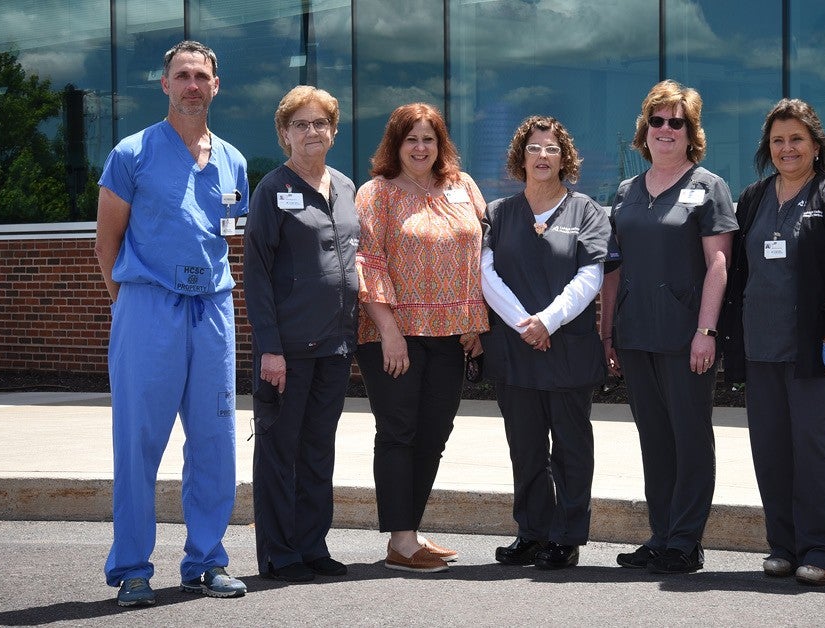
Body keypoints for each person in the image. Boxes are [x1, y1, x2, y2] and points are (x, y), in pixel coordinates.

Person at [93, 40, 249, 607]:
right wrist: (132, 305)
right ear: (165, 85)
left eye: (201, 76)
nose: (191, 85)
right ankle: (132, 568)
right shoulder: (131, 154)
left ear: (215, 85)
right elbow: (106, 244)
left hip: (212, 311)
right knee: (138, 441)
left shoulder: (233, 161)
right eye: (182, 75)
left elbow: (226, 238)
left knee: (215, 440)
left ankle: (206, 562)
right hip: (148, 308)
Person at [719, 99, 825, 586]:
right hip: (760, 348)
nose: (787, 148)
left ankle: (822, 549)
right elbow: (740, 271)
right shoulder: (753, 198)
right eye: (778, 140)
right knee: (771, 451)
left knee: (814, 449)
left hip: (812, 351)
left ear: (816, 145)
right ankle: (782, 545)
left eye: (797, 139)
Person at [600, 80, 738, 574]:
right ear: (645, 130)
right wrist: (607, 333)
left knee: (690, 438)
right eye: (656, 121)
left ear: (690, 131)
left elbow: (719, 265)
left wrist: (706, 332)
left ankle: (685, 541)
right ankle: (660, 536)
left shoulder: (709, 187)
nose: (665, 129)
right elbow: (613, 269)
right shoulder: (626, 191)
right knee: (654, 439)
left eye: (676, 122)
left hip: (685, 337)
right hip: (636, 333)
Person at [355, 103, 489, 573]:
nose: (419, 147)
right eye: (410, 138)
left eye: (428, 138)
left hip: (452, 335)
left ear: (440, 143)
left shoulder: (463, 186)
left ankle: (410, 531)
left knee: (434, 434)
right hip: (394, 335)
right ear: (395, 144)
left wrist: (475, 320)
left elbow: (482, 254)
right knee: (399, 432)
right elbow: (368, 263)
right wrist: (389, 332)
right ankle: (401, 541)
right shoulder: (376, 193)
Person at [481, 116, 611, 570]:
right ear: (521, 157)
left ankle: (566, 536)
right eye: (534, 148)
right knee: (526, 448)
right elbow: (485, 273)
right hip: (515, 351)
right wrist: (524, 325)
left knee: (571, 449)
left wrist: (548, 322)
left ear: (564, 158)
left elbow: (590, 276)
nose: (542, 155)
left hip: (567, 351)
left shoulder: (586, 211)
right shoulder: (499, 213)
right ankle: (532, 533)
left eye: (552, 148)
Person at [244, 86, 358, 583]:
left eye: (320, 123)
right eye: (301, 124)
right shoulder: (272, 190)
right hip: (287, 350)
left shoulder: (347, 188)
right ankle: (280, 554)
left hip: (335, 345)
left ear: (333, 131)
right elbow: (256, 274)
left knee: (318, 450)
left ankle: (313, 546)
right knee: (279, 453)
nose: (312, 132)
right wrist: (270, 348)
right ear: (284, 133)